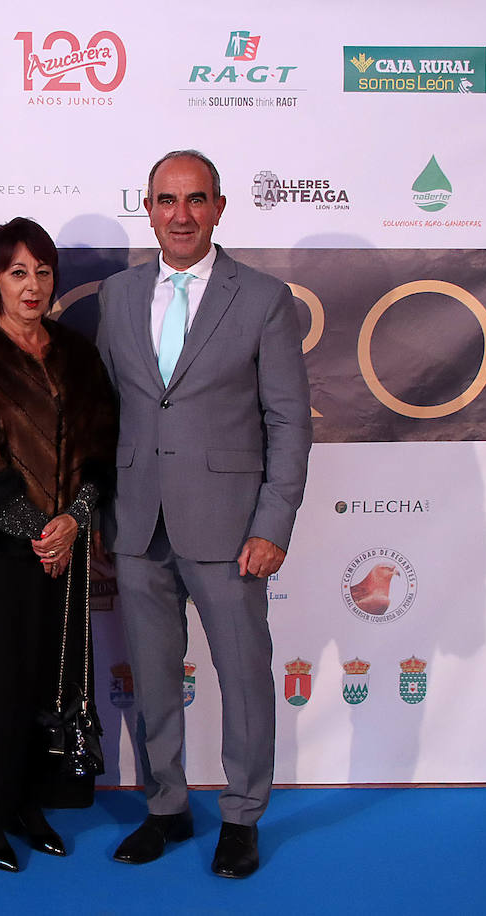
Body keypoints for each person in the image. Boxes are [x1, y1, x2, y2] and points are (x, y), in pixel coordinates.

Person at [96, 150, 311, 878]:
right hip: (136, 522)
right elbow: (107, 415)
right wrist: (97, 514)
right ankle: (167, 806)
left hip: (231, 528)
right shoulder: (118, 297)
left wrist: (272, 524)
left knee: (244, 673)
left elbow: (289, 422)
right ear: (148, 208)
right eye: (165, 200)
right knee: (154, 676)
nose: (180, 214)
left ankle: (243, 814)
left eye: (195, 200)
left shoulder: (262, 298)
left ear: (219, 207)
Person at [0, 217, 117, 872]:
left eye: (42, 271)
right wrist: (37, 532)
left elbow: (102, 445)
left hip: (63, 551)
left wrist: (75, 519)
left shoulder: (76, 352)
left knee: (49, 681)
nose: (33, 284)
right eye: (18, 272)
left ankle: (27, 804)